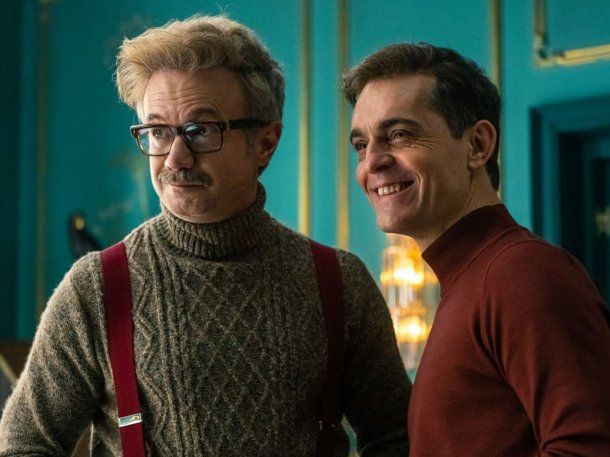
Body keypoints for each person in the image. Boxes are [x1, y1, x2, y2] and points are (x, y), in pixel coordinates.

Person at [0, 16, 410, 456]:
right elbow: (25, 446)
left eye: (200, 130)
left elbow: (396, 439)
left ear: (265, 142)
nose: (176, 158)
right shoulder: (96, 288)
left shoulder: (339, 282)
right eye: (158, 131)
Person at [342, 42, 610, 456]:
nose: (372, 162)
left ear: (478, 145)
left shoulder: (522, 273)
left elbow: (590, 446)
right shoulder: (476, 279)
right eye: (362, 145)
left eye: (399, 135)